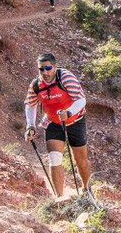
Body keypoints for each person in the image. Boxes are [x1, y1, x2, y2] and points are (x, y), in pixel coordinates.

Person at [24, 53, 94, 201]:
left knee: (80, 161)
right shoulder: (36, 85)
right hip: (53, 123)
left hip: (75, 121)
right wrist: (30, 125)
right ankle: (59, 198)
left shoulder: (66, 78)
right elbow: (30, 104)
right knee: (54, 159)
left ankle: (86, 189)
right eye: (41, 69)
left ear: (55, 67)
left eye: (48, 68)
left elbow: (81, 100)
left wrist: (69, 112)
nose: (45, 72)